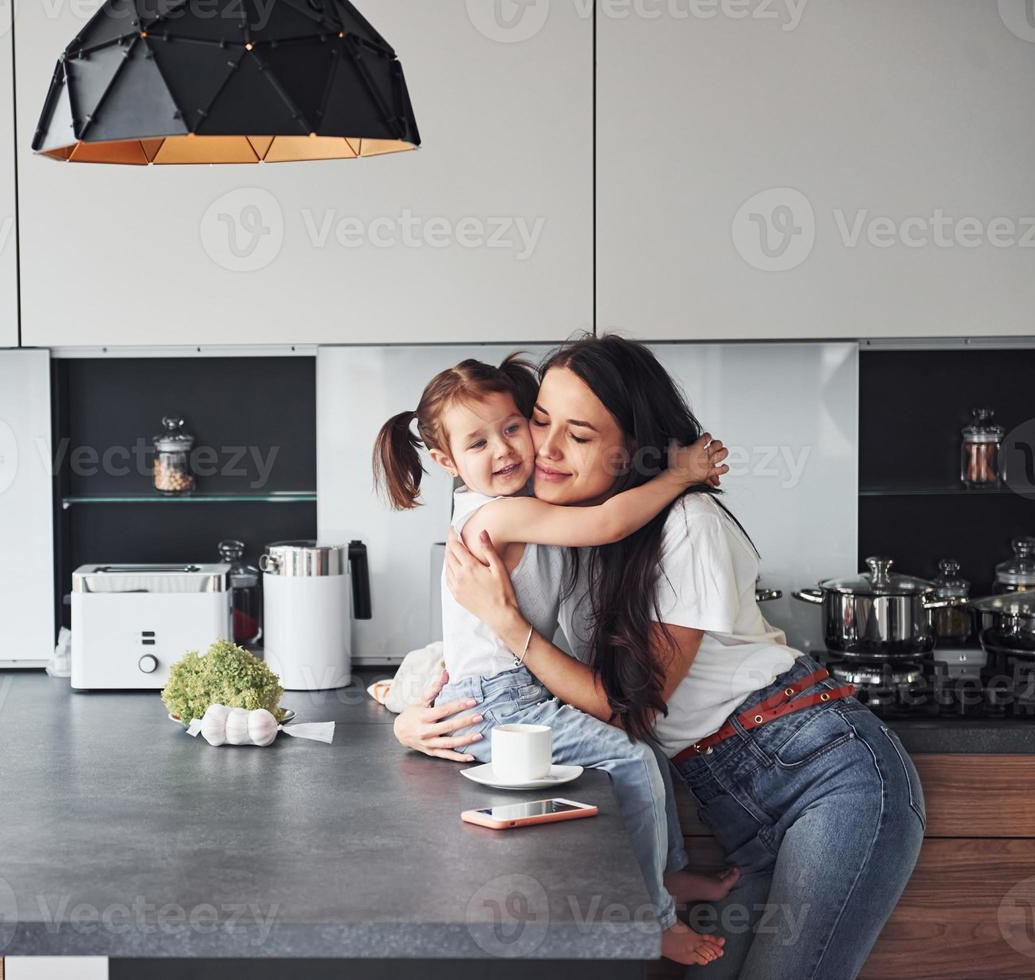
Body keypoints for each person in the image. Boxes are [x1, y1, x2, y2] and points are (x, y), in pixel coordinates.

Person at [396, 335, 924, 980]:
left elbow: (626, 706)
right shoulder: (557, 528)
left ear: (631, 449)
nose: (543, 449)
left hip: (824, 774)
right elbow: (466, 647)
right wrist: (412, 714)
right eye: (540, 422)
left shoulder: (684, 523)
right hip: (731, 794)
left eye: (580, 435)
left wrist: (507, 626)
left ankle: (663, 901)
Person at [373, 353, 733, 965]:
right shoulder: (498, 512)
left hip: (516, 687)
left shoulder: (506, 502)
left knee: (645, 755)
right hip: (500, 700)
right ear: (445, 462)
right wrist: (677, 476)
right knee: (635, 763)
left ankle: (664, 878)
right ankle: (657, 919)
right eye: (478, 442)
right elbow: (608, 523)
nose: (507, 450)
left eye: (514, 427)